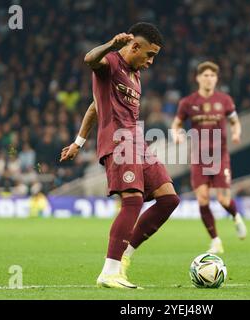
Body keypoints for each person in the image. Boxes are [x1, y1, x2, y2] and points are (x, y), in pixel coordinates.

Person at [60, 23, 180, 289]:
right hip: (117, 142)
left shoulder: (135, 75)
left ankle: (125, 254)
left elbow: (94, 106)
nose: (151, 61)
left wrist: (78, 142)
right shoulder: (111, 62)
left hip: (137, 142)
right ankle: (109, 271)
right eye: (149, 55)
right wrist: (112, 45)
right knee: (132, 202)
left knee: (169, 199)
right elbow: (89, 59)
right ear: (134, 46)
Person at [171, 61, 247, 254]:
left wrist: (236, 133)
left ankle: (236, 216)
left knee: (222, 199)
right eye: (205, 75)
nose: (209, 79)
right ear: (198, 78)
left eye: (212, 76)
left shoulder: (225, 100)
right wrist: (177, 135)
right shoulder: (188, 102)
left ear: (216, 79)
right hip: (198, 157)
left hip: (220, 156)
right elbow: (176, 125)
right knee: (203, 198)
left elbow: (235, 122)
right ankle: (215, 240)